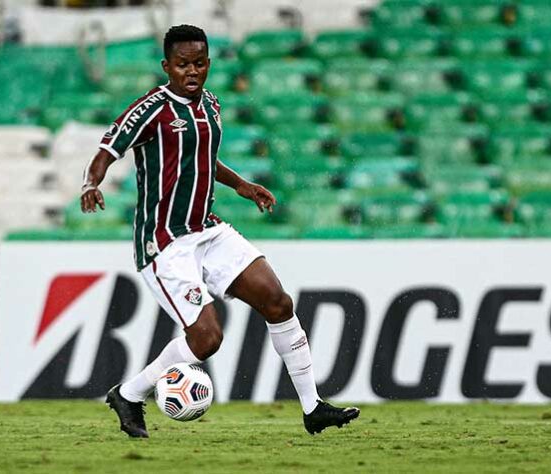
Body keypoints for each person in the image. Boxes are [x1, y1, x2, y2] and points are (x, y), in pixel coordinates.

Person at [80, 24, 359, 438]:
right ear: (167, 66)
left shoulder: (210, 104)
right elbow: (107, 151)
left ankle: (312, 406)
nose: (190, 71)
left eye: (198, 63)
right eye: (181, 64)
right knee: (207, 338)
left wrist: (241, 185)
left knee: (278, 301)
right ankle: (131, 393)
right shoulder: (150, 109)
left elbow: (205, 159)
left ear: (208, 64)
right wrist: (91, 184)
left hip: (207, 230)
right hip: (165, 242)